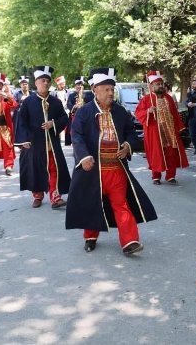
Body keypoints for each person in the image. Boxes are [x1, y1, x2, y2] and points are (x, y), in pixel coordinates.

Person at [65, 67, 157, 254]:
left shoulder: (121, 112)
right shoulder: (84, 112)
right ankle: (90, 237)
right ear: (95, 90)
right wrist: (83, 157)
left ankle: (130, 241)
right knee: (93, 204)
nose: (110, 93)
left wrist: (128, 146)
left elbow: (132, 134)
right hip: (93, 169)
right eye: (106, 89)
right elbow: (77, 136)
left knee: (121, 204)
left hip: (116, 169)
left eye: (111, 89)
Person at [14, 66, 71, 209]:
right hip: (34, 143)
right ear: (36, 82)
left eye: (47, 81)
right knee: (36, 169)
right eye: (42, 80)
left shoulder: (56, 102)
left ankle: (55, 197)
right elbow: (21, 121)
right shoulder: (28, 102)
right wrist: (24, 140)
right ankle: (38, 196)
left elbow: (64, 118)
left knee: (54, 169)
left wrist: (54, 123)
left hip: (51, 143)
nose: (45, 83)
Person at [135, 71, 189, 185]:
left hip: (169, 130)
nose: (160, 86)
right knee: (156, 153)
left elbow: (174, 113)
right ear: (152, 86)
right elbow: (138, 113)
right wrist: (148, 111)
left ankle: (170, 176)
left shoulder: (168, 98)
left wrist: (178, 127)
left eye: (161, 84)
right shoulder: (146, 99)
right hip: (155, 132)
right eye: (157, 84)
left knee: (171, 152)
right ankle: (156, 176)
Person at [65, 76, 94, 147]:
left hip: (85, 117)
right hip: (74, 116)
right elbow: (69, 104)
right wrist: (75, 106)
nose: (79, 86)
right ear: (75, 86)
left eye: (81, 85)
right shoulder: (72, 95)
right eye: (78, 85)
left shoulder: (88, 95)